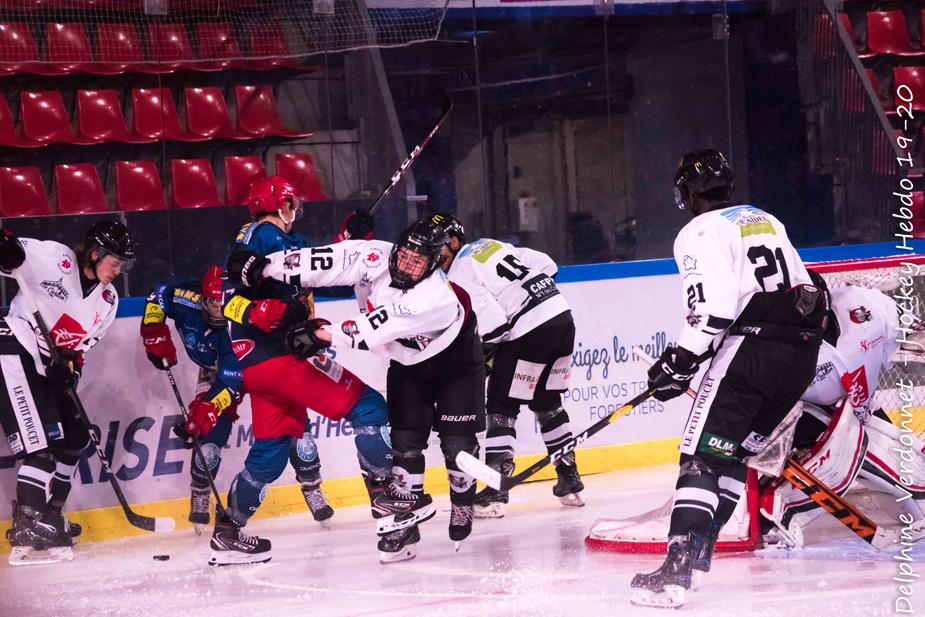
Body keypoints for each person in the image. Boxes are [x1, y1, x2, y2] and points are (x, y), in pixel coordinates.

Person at [631, 150, 827, 607]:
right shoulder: (766, 218)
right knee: (733, 452)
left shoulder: (698, 231)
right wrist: (689, 359)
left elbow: (714, 309)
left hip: (752, 353)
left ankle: (676, 570)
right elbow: (806, 288)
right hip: (799, 355)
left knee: (701, 458)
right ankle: (699, 558)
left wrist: (680, 360)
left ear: (686, 193)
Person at [226, 217, 485, 563]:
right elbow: (324, 262)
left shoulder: (435, 297)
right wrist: (265, 266)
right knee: (400, 439)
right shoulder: (377, 255)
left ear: (434, 264)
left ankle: (461, 502)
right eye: (404, 255)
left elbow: (375, 326)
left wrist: (320, 334)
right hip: (404, 363)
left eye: (417, 261)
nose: (406, 265)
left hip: (455, 362)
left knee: (457, 444)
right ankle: (398, 519)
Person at [191, 176, 391, 566]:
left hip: (259, 367)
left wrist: (346, 241)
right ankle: (387, 496)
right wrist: (266, 311)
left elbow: (315, 271)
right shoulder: (262, 234)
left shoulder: (275, 240)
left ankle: (228, 531)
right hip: (283, 358)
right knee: (369, 408)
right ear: (281, 205)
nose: (295, 210)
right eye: (292, 203)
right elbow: (235, 293)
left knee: (271, 451)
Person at [139, 265, 333, 534]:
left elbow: (230, 384)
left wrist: (205, 410)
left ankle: (312, 486)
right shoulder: (186, 298)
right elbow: (159, 294)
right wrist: (153, 330)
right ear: (202, 298)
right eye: (213, 303)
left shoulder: (242, 321)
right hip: (215, 370)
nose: (219, 310)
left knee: (297, 431)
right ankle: (200, 490)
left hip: (259, 363)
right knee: (208, 440)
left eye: (225, 303)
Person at [431, 213, 584, 517]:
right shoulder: (489, 245)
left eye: (438, 247)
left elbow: (496, 327)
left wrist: (477, 361)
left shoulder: (458, 274)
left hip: (530, 330)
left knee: (502, 406)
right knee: (547, 402)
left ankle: (495, 493)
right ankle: (570, 480)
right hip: (562, 317)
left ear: (455, 242)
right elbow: (547, 265)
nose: (433, 256)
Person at [0, 221, 135, 565]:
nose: (117, 272)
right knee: (41, 445)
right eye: (115, 263)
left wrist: (70, 368)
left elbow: (78, 349)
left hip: (48, 366)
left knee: (75, 437)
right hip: (14, 348)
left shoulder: (107, 301)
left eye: (122, 265)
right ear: (95, 254)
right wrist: (7, 250)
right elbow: (13, 255)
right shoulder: (55, 259)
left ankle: (50, 515)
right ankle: (27, 524)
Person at [761, 275, 925, 547]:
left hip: (861, 411)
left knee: (918, 494)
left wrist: (917, 340)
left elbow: (913, 333)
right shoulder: (774, 348)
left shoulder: (863, 305)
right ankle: (776, 513)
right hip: (806, 418)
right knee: (835, 461)